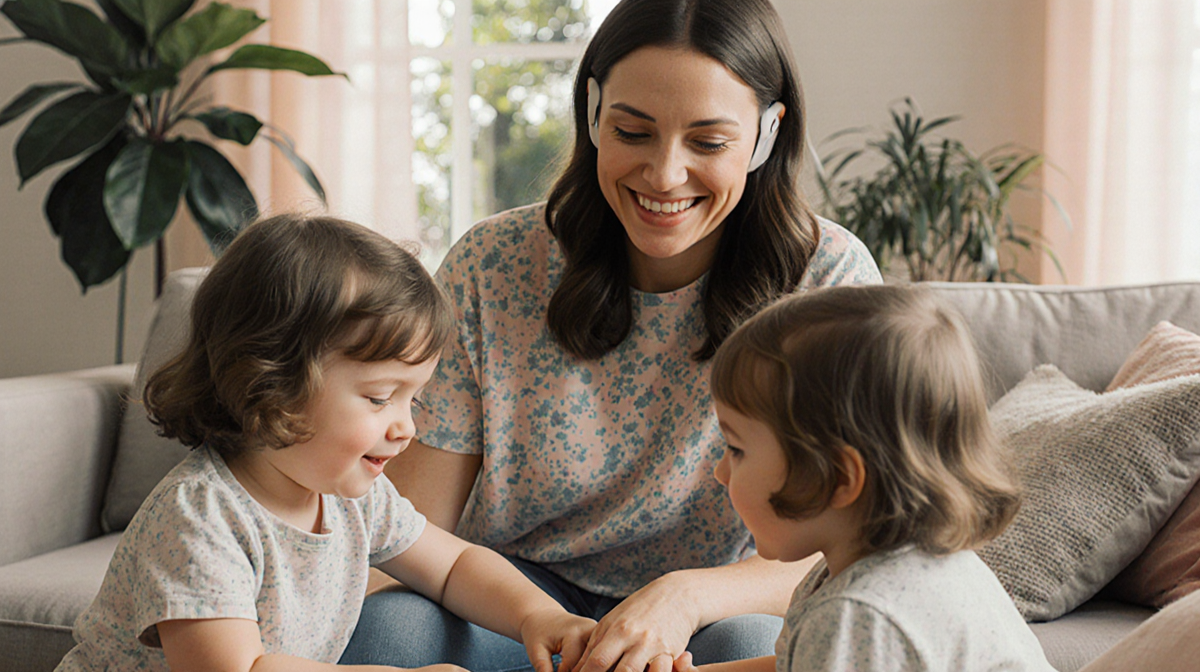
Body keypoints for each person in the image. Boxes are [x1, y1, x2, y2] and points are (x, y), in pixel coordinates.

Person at [340, 0, 882, 670]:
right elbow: (413, 531)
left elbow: (856, 549)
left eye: (708, 143)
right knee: (391, 632)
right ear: (594, 111)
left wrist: (682, 598)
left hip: (715, 612)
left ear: (768, 134)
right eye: (633, 132)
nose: (664, 174)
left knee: (757, 646)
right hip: (517, 609)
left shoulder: (828, 277)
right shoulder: (491, 264)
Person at [55, 214, 595, 672]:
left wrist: (538, 615)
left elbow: (453, 568)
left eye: (416, 399)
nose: (407, 426)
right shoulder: (199, 516)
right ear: (273, 387)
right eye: (381, 398)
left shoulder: (352, 496)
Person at [671, 284, 1052, 672]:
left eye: (736, 449)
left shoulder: (859, 615)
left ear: (837, 478)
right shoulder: (909, 566)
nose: (720, 473)